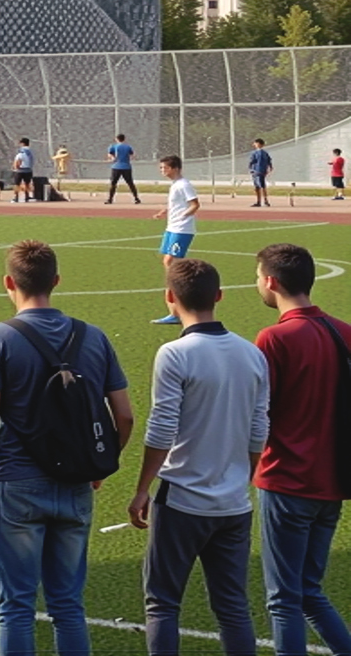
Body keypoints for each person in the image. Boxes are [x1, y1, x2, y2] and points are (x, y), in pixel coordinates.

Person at [0, 240, 134, 655]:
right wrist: (100, 463)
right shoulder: (93, 336)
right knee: (68, 605)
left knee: (16, 606)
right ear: (56, 281)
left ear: (8, 283)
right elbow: (124, 416)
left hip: (17, 478)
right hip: (75, 480)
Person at [128, 257, 267, 656]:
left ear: (170, 297)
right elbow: (259, 428)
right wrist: (249, 477)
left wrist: (142, 489)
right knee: (233, 607)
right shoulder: (251, 354)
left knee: (163, 603)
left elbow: (162, 427)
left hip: (183, 500)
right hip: (233, 504)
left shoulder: (175, 354)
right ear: (219, 297)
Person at [249, 241, 351, 654]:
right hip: (333, 482)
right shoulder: (344, 332)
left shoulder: (274, 338)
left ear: (271, 282)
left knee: (284, 599)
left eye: (257, 278)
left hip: (287, 480)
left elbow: (259, 412)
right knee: (309, 591)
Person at [154, 153, 200, 325]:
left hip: (182, 229)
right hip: (171, 228)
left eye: (165, 167)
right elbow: (175, 204)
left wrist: (183, 217)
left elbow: (195, 204)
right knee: (167, 261)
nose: (162, 171)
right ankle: (175, 310)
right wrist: (164, 212)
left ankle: (179, 287)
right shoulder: (174, 185)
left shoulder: (184, 185)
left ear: (175, 168)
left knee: (170, 261)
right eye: (161, 168)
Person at [110, 134, 142, 205]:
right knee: (130, 183)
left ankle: (110, 199)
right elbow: (132, 155)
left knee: (113, 183)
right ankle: (136, 198)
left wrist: (113, 158)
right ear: (124, 139)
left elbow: (111, 154)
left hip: (116, 167)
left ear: (116, 139)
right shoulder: (128, 147)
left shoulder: (114, 146)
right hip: (126, 167)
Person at [248, 139, 275, 208]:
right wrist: (270, 167)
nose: (254, 144)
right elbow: (269, 160)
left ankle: (262, 201)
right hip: (261, 171)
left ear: (259, 144)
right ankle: (262, 201)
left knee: (260, 186)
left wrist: (250, 168)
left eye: (255, 143)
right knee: (260, 186)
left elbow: (252, 161)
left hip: (257, 171)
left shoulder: (256, 153)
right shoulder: (265, 153)